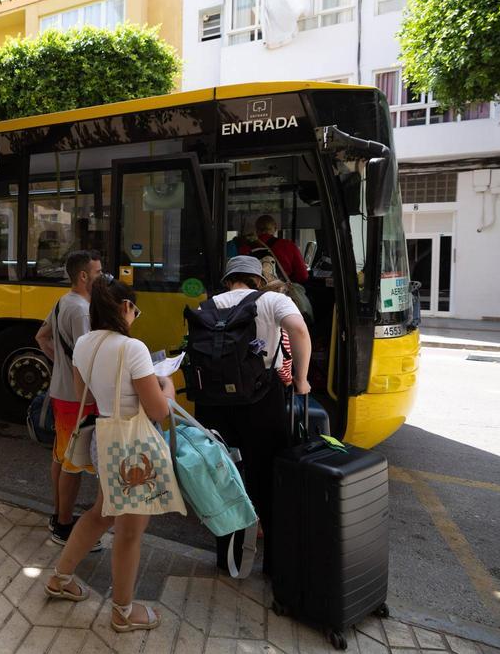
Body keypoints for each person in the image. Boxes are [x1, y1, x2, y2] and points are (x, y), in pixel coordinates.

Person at [44, 275, 176, 632]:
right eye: (135, 309)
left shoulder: (85, 344)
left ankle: (60, 578)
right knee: (129, 531)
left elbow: (82, 390)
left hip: (105, 437)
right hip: (133, 446)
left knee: (101, 513)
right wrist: (168, 385)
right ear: (124, 308)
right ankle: (123, 611)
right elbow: (158, 410)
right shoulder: (132, 348)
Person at [195, 255, 311, 576]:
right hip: (261, 398)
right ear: (258, 279)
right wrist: (301, 379)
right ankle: (273, 565)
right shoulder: (272, 299)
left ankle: (228, 559)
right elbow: (299, 331)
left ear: (228, 280)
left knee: (226, 478)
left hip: (215, 403)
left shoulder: (209, 304)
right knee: (265, 478)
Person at [34, 250, 102, 546]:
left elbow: (41, 337)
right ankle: (63, 525)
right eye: (98, 273)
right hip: (78, 398)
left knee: (61, 457)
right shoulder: (82, 311)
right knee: (72, 463)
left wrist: (59, 363)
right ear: (84, 276)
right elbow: (87, 359)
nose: (102, 278)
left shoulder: (64, 302)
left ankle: (58, 514)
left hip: (61, 393)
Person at [241, 214, 308, 283]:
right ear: (275, 228)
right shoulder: (288, 245)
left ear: (257, 230)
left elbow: (242, 274)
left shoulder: (246, 248)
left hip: (256, 290)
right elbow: (303, 276)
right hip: (282, 289)